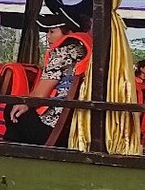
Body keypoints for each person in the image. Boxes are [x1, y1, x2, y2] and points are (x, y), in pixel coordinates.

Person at [6, 11, 92, 145]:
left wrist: (24, 103)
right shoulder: (84, 52)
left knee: (11, 108)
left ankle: (11, 150)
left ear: (69, 32)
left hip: (52, 128)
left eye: (52, 31)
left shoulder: (62, 53)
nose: (48, 36)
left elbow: (40, 95)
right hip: (72, 127)